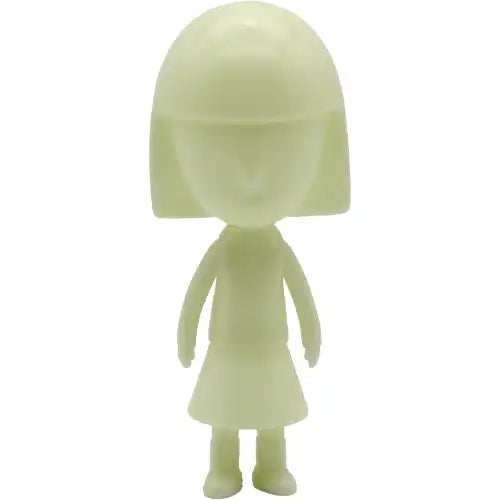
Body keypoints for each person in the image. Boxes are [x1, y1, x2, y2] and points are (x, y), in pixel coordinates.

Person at [150, 2, 350, 497]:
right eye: (221, 157)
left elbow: (301, 296)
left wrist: (312, 333)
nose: (252, 181)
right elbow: (197, 295)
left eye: (280, 156)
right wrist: (185, 335)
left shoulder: (275, 249)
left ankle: (270, 468)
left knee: (271, 416)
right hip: (227, 349)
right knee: (225, 416)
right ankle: (223, 470)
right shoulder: (225, 249)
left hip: (270, 349)